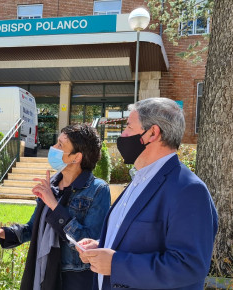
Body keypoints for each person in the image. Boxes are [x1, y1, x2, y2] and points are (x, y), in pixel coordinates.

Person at [78, 98, 218, 290]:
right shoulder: (139, 179)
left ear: (152, 133)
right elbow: (139, 239)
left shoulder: (188, 190)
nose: (123, 134)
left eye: (128, 126)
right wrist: (103, 245)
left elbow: (189, 265)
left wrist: (117, 264)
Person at [0, 124, 111, 290]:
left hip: (75, 279)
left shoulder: (98, 190)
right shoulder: (52, 186)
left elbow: (88, 245)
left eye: (60, 145)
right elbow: (31, 228)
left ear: (76, 157)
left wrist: (54, 206)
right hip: (43, 274)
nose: (53, 148)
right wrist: (0, 232)